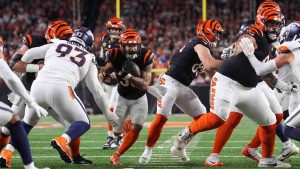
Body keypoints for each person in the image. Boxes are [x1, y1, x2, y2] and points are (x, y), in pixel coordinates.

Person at [171, 8, 290, 168]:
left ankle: (267, 160)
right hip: (227, 81)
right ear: (262, 22)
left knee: (270, 122)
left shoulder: (271, 46)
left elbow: (266, 75)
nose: (274, 28)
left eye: (277, 24)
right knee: (217, 118)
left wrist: (285, 86)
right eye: (270, 24)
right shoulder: (255, 32)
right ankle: (184, 135)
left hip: (249, 88)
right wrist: (239, 48)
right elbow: (245, 40)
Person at [3, 27, 119, 165]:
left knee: (27, 124)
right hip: (61, 88)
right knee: (83, 122)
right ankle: (63, 140)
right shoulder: (89, 57)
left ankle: (6, 153)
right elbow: (97, 91)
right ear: (88, 43)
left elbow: (29, 54)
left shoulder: (56, 44)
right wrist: (108, 114)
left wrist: (32, 67)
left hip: (38, 85)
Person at [139, 19, 224, 164]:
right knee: (161, 117)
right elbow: (209, 64)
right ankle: (147, 150)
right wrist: (231, 61)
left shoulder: (204, 47)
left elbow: (210, 73)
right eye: (215, 32)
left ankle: (181, 144)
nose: (217, 36)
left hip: (183, 86)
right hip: (169, 82)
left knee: (202, 118)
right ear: (206, 31)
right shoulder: (199, 41)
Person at [102, 29, 154, 165]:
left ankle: (117, 155)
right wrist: (105, 74)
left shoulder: (146, 56)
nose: (132, 48)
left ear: (139, 44)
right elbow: (105, 70)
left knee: (137, 127)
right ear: (121, 45)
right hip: (122, 96)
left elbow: (144, 85)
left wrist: (128, 76)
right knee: (116, 132)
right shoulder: (114, 54)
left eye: (134, 45)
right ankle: (123, 127)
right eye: (129, 45)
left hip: (139, 97)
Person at [0, 36, 49, 169]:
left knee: (13, 122)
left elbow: (10, 78)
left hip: (44, 91)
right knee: (13, 123)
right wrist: (38, 67)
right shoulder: (37, 42)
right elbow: (14, 65)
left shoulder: (68, 49)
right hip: (28, 89)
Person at [99, 17, 126, 149]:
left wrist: (118, 71)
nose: (115, 31)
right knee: (108, 109)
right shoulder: (104, 39)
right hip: (108, 80)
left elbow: (128, 61)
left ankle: (119, 136)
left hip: (120, 79)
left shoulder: (123, 42)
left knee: (113, 108)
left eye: (117, 29)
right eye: (113, 28)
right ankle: (112, 137)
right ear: (109, 28)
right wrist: (101, 71)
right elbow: (102, 59)